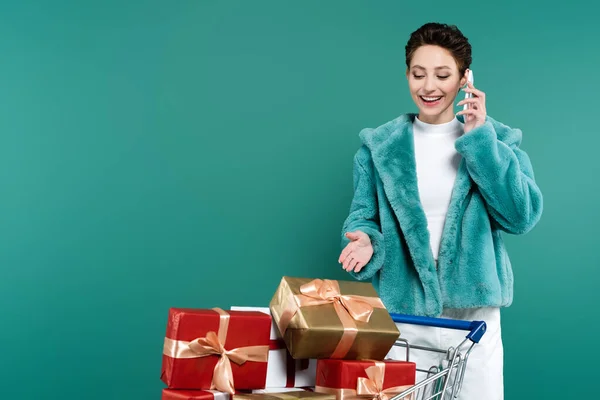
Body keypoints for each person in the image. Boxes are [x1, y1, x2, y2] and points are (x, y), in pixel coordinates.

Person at [338, 22, 543, 399]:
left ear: (465, 78)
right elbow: (362, 216)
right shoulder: (378, 147)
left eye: (442, 74)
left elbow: (521, 215)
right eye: (418, 74)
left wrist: (479, 139)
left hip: (473, 321)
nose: (428, 86)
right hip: (405, 316)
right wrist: (366, 240)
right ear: (407, 75)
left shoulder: (497, 139)